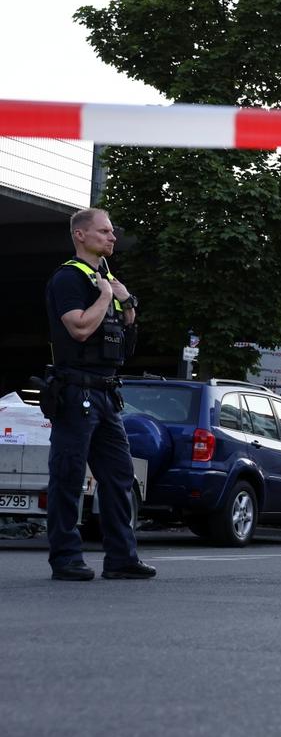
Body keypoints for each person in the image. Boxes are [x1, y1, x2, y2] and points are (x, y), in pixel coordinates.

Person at [43, 208, 155, 582]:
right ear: (80, 235)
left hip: (106, 393)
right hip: (76, 391)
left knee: (120, 477)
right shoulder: (69, 278)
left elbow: (123, 330)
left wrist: (128, 301)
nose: (112, 238)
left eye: (112, 232)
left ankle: (121, 558)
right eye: (104, 232)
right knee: (68, 476)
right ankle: (66, 558)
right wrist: (108, 294)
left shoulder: (104, 277)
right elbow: (78, 328)